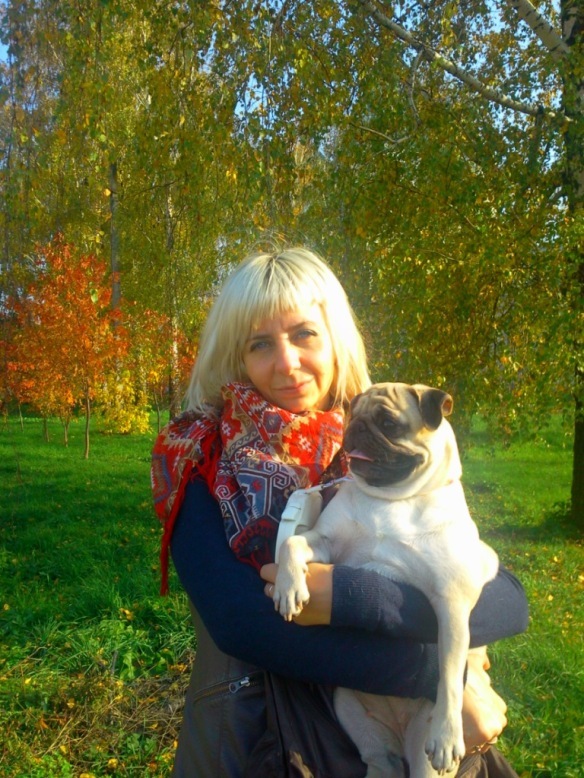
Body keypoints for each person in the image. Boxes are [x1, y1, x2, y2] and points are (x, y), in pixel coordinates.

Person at [151, 245, 529, 777]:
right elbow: (244, 624)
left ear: (335, 339)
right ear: (236, 356)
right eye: (260, 343)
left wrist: (353, 597)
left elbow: (506, 600)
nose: (287, 363)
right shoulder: (198, 455)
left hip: (407, 736)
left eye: (304, 334)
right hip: (260, 740)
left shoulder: (384, 438)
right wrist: (438, 677)